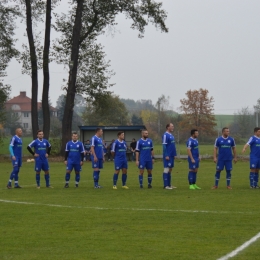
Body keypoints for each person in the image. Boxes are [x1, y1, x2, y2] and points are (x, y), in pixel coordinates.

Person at [162, 123, 177, 189]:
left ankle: (169, 184)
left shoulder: (171, 135)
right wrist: (166, 155)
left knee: (170, 169)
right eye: (172, 126)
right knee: (166, 169)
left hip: (171, 155)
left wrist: (174, 154)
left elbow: (173, 146)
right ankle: (166, 185)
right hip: (167, 155)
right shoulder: (165, 135)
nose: (173, 127)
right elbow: (164, 146)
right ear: (168, 127)